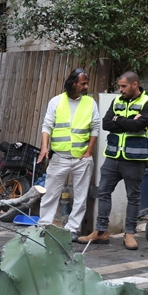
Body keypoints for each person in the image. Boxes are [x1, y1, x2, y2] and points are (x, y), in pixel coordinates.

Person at [77, 71, 148, 250]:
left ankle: (129, 233)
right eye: (119, 86)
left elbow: (139, 126)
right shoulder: (117, 101)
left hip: (135, 158)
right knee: (103, 192)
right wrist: (126, 121)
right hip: (113, 157)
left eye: (123, 86)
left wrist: (119, 120)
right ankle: (101, 231)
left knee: (133, 197)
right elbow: (106, 124)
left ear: (135, 84)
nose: (120, 90)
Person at [36, 68, 101, 242]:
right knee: (50, 193)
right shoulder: (56, 101)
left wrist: (89, 152)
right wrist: (44, 147)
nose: (86, 86)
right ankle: (44, 226)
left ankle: (72, 229)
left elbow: (95, 128)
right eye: (83, 83)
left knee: (80, 196)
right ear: (73, 83)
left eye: (87, 83)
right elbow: (47, 126)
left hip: (82, 158)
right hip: (59, 157)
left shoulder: (90, 103)